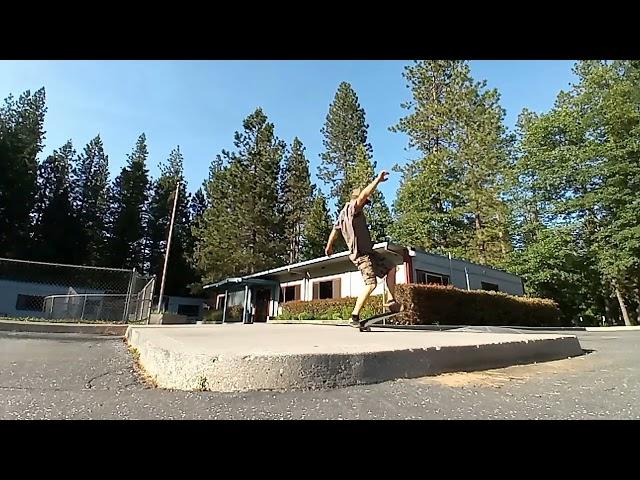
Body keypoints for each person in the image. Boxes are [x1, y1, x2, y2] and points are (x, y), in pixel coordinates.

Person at [324, 170, 400, 328]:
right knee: (371, 284)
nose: (365, 205)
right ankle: (354, 316)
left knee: (391, 268)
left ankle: (391, 299)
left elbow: (335, 230)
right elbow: (364, 195)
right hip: (361, 255)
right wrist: (377, 180)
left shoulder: (341, 217)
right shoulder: (353, 209)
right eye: (365, 203)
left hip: (370, 253)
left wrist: (329, 246)